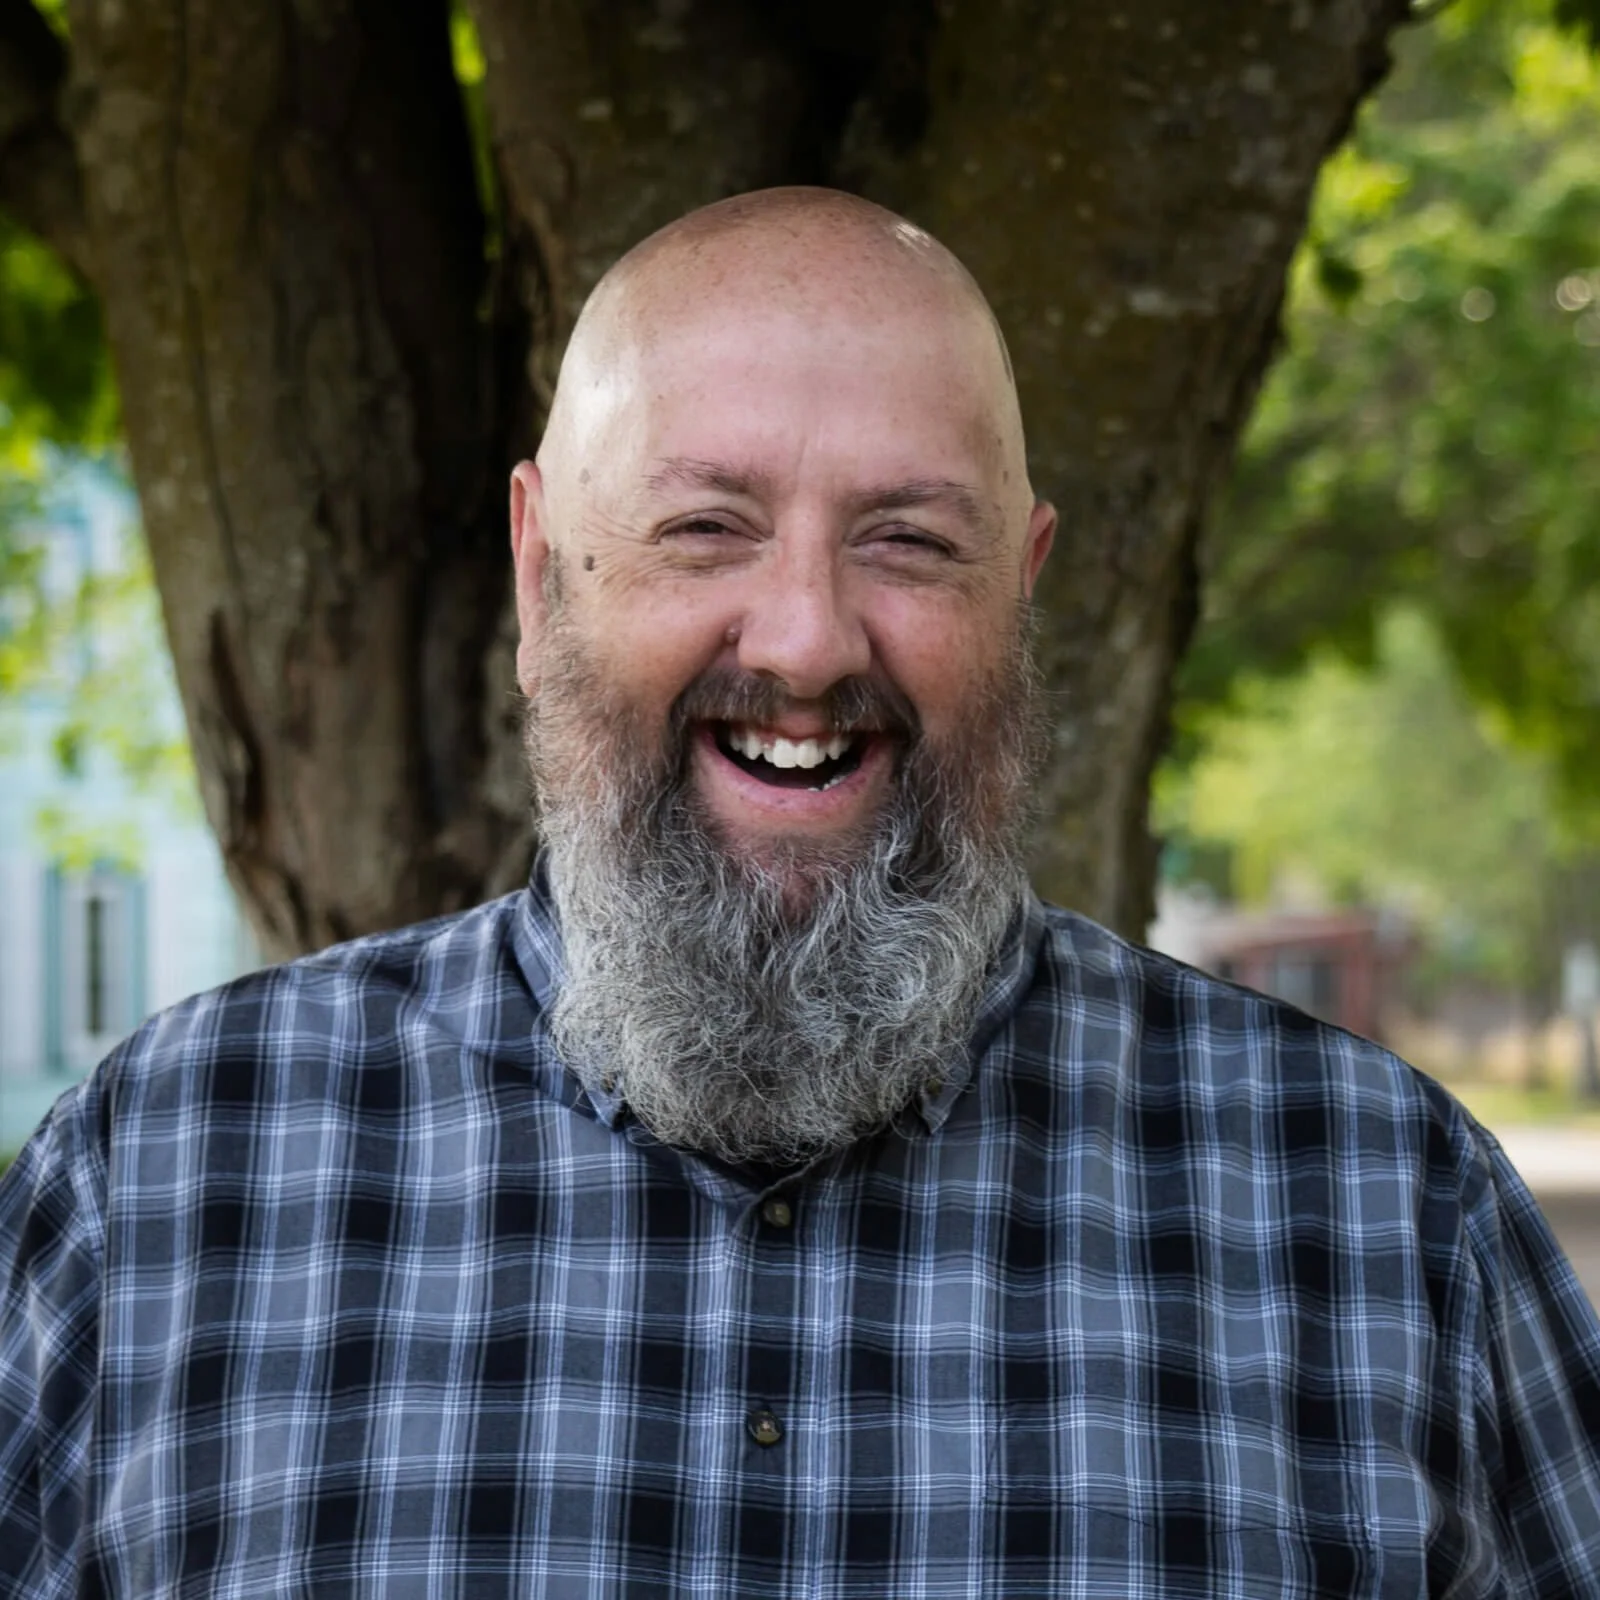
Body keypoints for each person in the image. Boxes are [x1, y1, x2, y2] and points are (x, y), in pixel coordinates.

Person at [2, 187, 1598, 1598]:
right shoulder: (159, 1187)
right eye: (710, 527)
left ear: (1021, 592)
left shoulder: (1385, 1220)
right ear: (541, 569)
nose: (808, 640)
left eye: (908, 543)